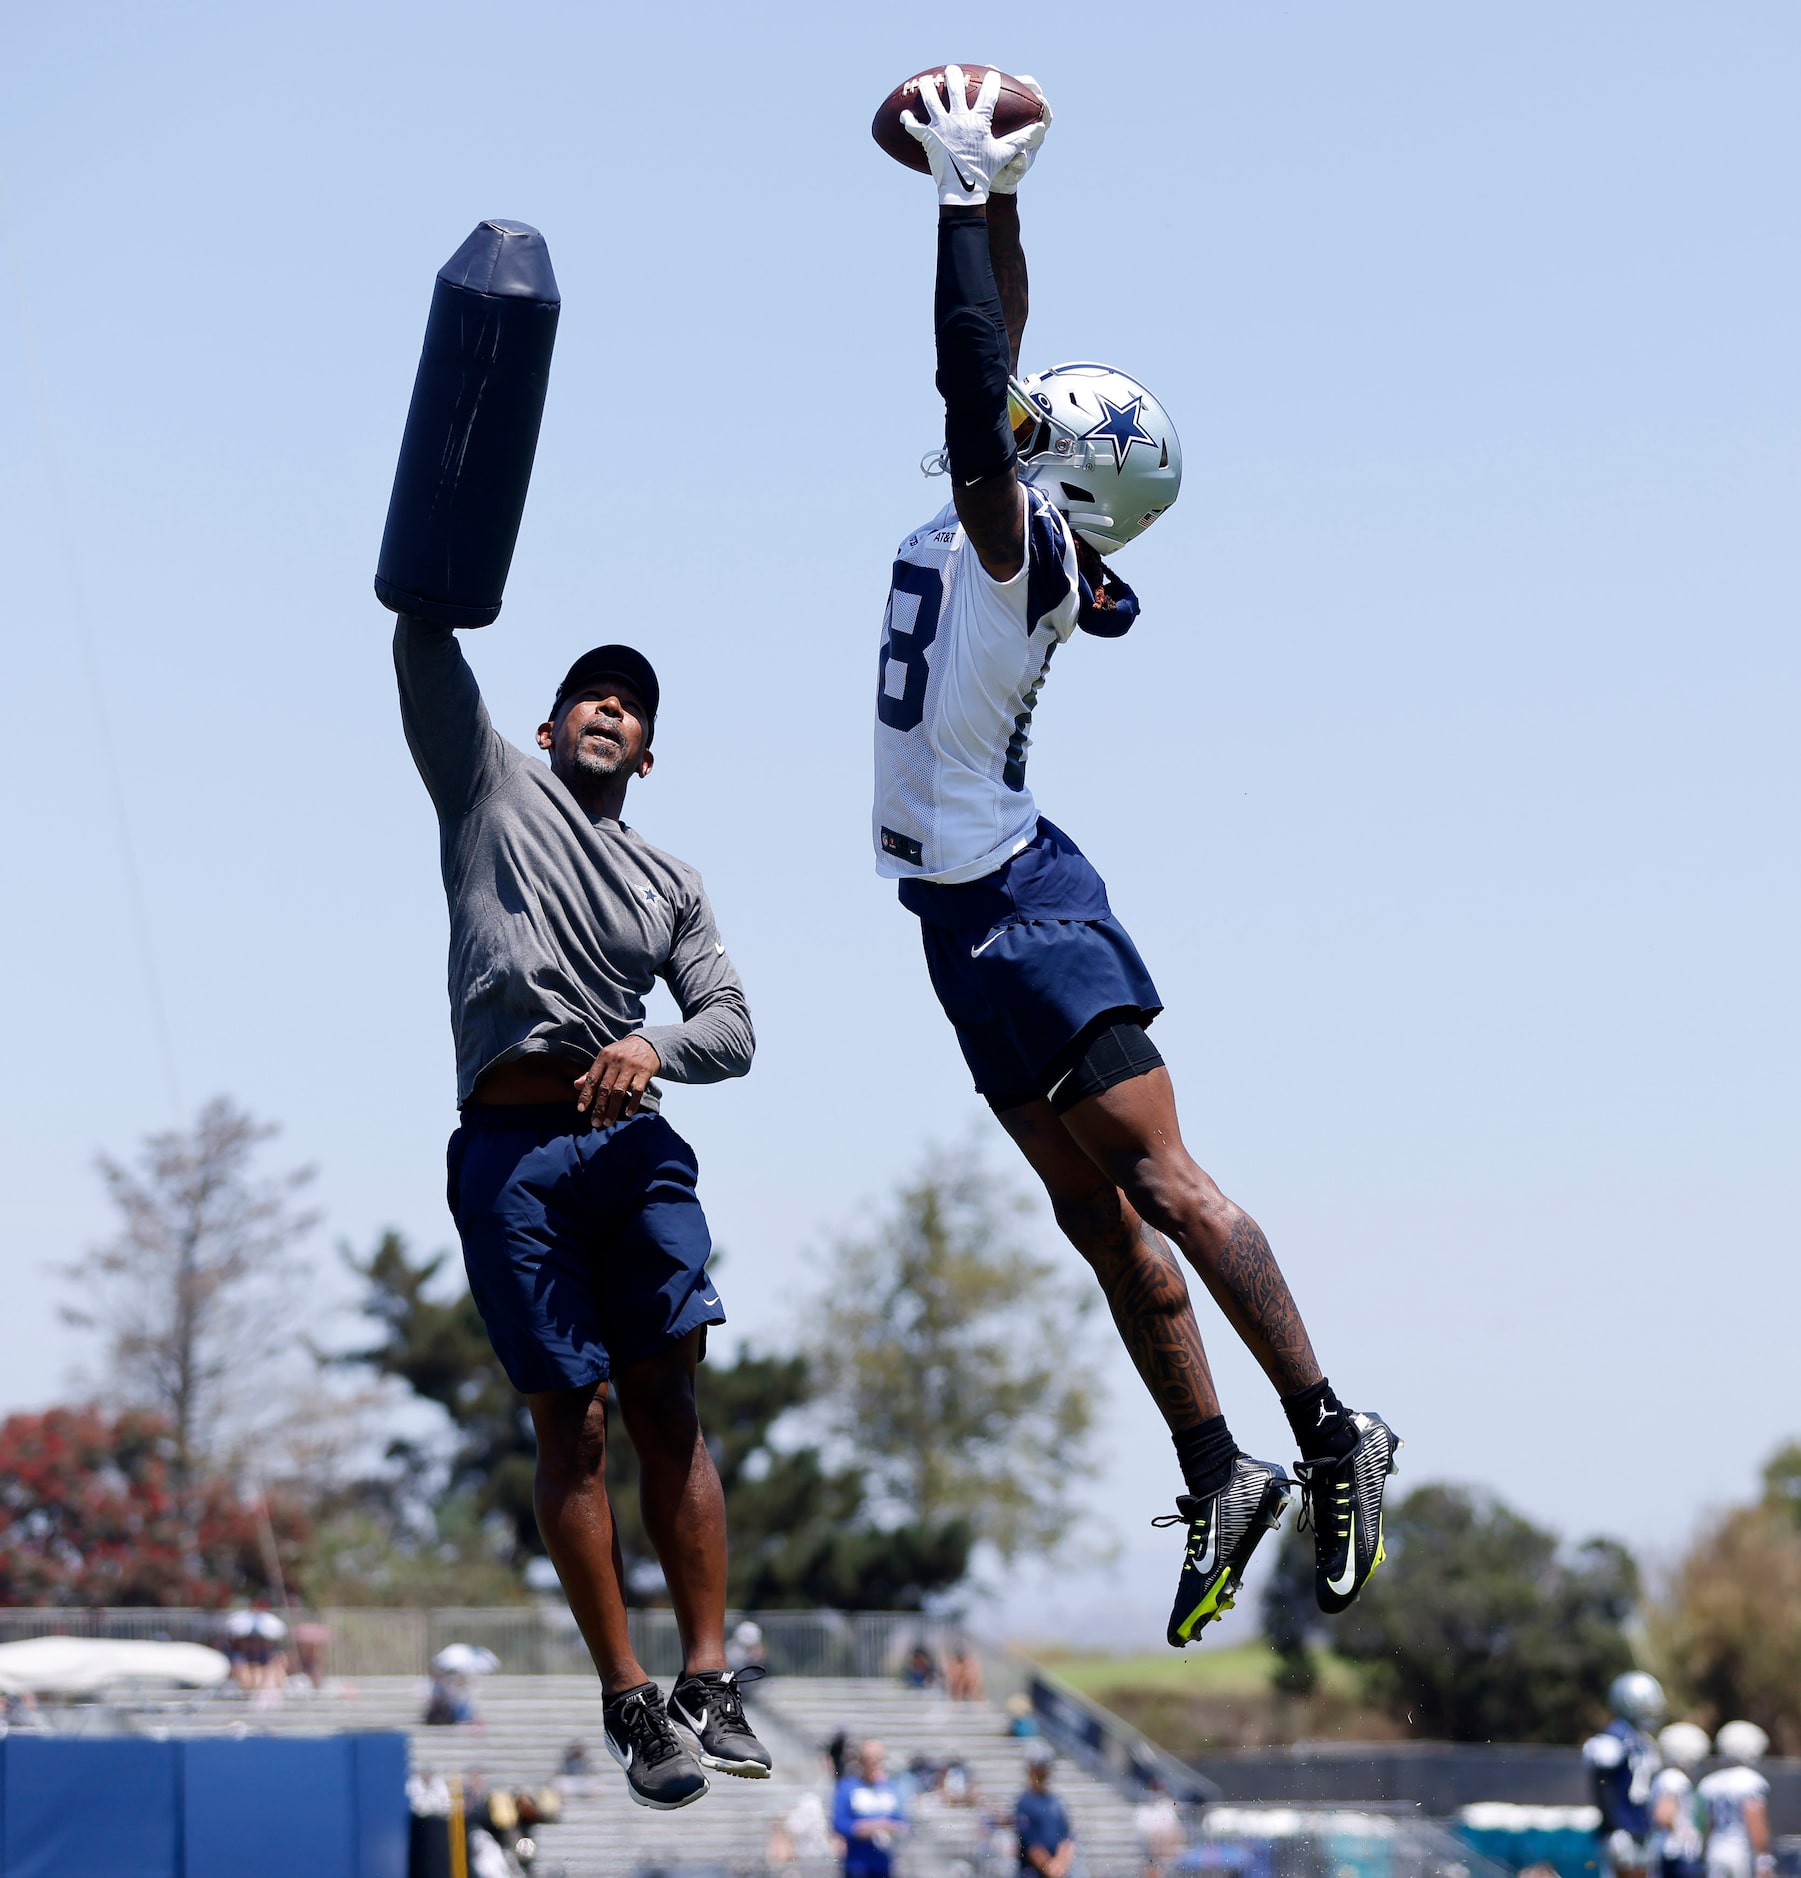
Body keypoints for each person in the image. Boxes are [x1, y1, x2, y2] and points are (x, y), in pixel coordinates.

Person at [873, 68, 1400, 1647]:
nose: (1020, 420)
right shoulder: (1024, 517)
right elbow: (1000, 367)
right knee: (1091, 1217)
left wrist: (959, 204)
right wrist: (1006, 201)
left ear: (1072, 483)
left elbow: (976, 390)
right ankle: (1217, 1468)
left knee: (1163, 1180)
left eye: (1045, 434)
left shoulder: (1015, 539)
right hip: (955, 918)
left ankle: (1328, 1430)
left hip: (1027, 909)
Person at [395, 619, 770, 1809]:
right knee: (578, 1423)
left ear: (647, 751)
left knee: (668, 1399)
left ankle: (706, 1678)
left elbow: (733, 1029)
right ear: (550, 727)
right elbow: (420, 645)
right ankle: (629, 1698)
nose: (610, 711)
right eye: (589, 698)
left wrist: (649, 1043)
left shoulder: (673, 882)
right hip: (510, 1150)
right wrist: (448, 535)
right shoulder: (487, 782)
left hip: (628, 1145)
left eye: (631, 705)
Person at [1585, 1672, 1666, 1878]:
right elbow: (1601, 1783)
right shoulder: (1614, 1737)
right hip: (1623, 1826)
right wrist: (1613, 1825)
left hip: (1640, 1825)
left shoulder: (1639, 1738)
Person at [1697, 1722, 1772, 1878]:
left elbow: (1707, 1824)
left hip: (1715, 1850)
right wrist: (1763, 1860)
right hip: (1740, 1851)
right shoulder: (1750, 1780)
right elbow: (1754, 1820)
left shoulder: (1710, 1782)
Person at [832, 1740, 907, 1878]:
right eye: (869, 1760)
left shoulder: (890, 1788)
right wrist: (868, 1828)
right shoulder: (847, 1787)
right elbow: (839, 1823)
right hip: (857, 1865)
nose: (874, 1764)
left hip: (883, 1863)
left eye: (878, 1760)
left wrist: (894, 1829)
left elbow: (902, 1821)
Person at [1653, 1723, 1710, 1878]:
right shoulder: (1674, 1778)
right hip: (1677, 1853)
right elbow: (1664, 1814)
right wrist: (1684, 1833)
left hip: (1671, 1852)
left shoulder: (1666, 1776)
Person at [1015, 1748, 1075, 1878]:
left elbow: (1066, 1839)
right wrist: (1049, 1868)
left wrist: (1060, 1865)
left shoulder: (1056, 1802)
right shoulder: (1025, 1802)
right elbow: (1031, 1844)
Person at [1134, 1775, 1184, 1878]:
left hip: (1164, 1848)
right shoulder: (1143, 1810)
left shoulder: (1166, 1807)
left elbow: (1175, 1830)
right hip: (1151, 1847)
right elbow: (1143, 1831)